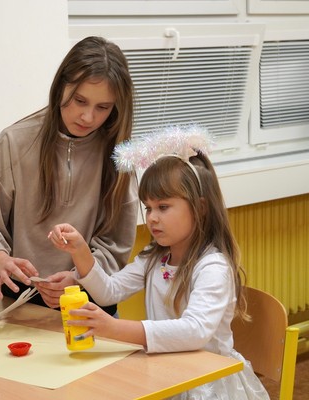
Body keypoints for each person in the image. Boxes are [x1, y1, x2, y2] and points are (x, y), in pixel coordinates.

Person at [48, 125, 270, 399]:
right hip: (165, 374)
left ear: (200, 207)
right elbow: (109, 292)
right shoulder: (155, 258)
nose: (152, 218)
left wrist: (115, 328)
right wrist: (80, 250)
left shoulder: (213, 267)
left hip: (207, 384)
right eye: (148, 207)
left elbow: (194, 331)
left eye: (163, 207)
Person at [0, 36, 139, 314]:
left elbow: (116, 245)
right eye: (80, 100)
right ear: (60, 87)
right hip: (20, 302)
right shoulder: (14, 142)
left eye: (103, 107)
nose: (88, 117)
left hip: (90, 304)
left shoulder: (120, 154)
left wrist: (80, 277)